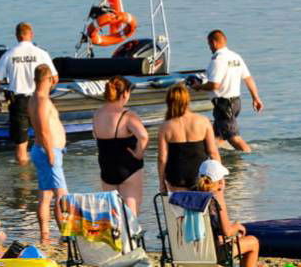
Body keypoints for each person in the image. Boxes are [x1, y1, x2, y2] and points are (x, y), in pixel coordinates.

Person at [0, 22, 57, 165]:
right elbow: (55, 78)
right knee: (45, 137)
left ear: (16, 36)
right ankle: (49, 165)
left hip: (19, 103)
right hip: (39, 99)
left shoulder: (8, 55)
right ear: (31, 34)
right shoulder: (41, 53)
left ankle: (23, 180)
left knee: (21, 145)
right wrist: (46, 93)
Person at [191, 30, 263, 152]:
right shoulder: (236, 57)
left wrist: (199, 87)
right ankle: (213, 158)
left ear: (214, 43)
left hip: (224, 105)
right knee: (215, 138)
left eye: (209, 45)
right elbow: (248, 78)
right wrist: (256, 98)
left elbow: (214, 85)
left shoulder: (217, 59)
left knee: (234, 138)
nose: (209, 48)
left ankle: (251, 160)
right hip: (235, 102)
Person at [92, 76, 148, 213]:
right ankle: (131, 234)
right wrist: (139, 153)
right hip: (128, 167)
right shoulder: (128, 115)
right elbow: (144, 136)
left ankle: (117, 234)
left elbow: (95, 135)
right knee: (131, 212)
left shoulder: (97, 115)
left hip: (106, 167)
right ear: (124, 94)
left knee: (113, 212)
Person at [28, 64, 67, 243]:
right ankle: (66, 233)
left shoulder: (33, 98)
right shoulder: (42, 100)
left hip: (41, 149)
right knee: (61, 194)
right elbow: (43, 129)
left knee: (45, 194)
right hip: (47, 150)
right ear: (49, 79)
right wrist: (51, 153)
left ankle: (45, 235)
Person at [195, 160, 259, 267]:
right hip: (213, 253)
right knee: (253, 242)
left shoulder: (186, 198)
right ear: (220, 182)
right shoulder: (217, 199)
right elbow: (227, 232)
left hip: (189, 251)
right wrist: (237, 226)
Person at [158, 83, 220, 193]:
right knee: (206, 208)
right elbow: (213, 152)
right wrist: (219, 177)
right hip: (201, 176)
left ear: (169, 102)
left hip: (176, 176)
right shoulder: (203, 121)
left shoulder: (165, 127)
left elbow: (162, 158)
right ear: (187, 100)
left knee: (180, 209)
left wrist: (161, 182)